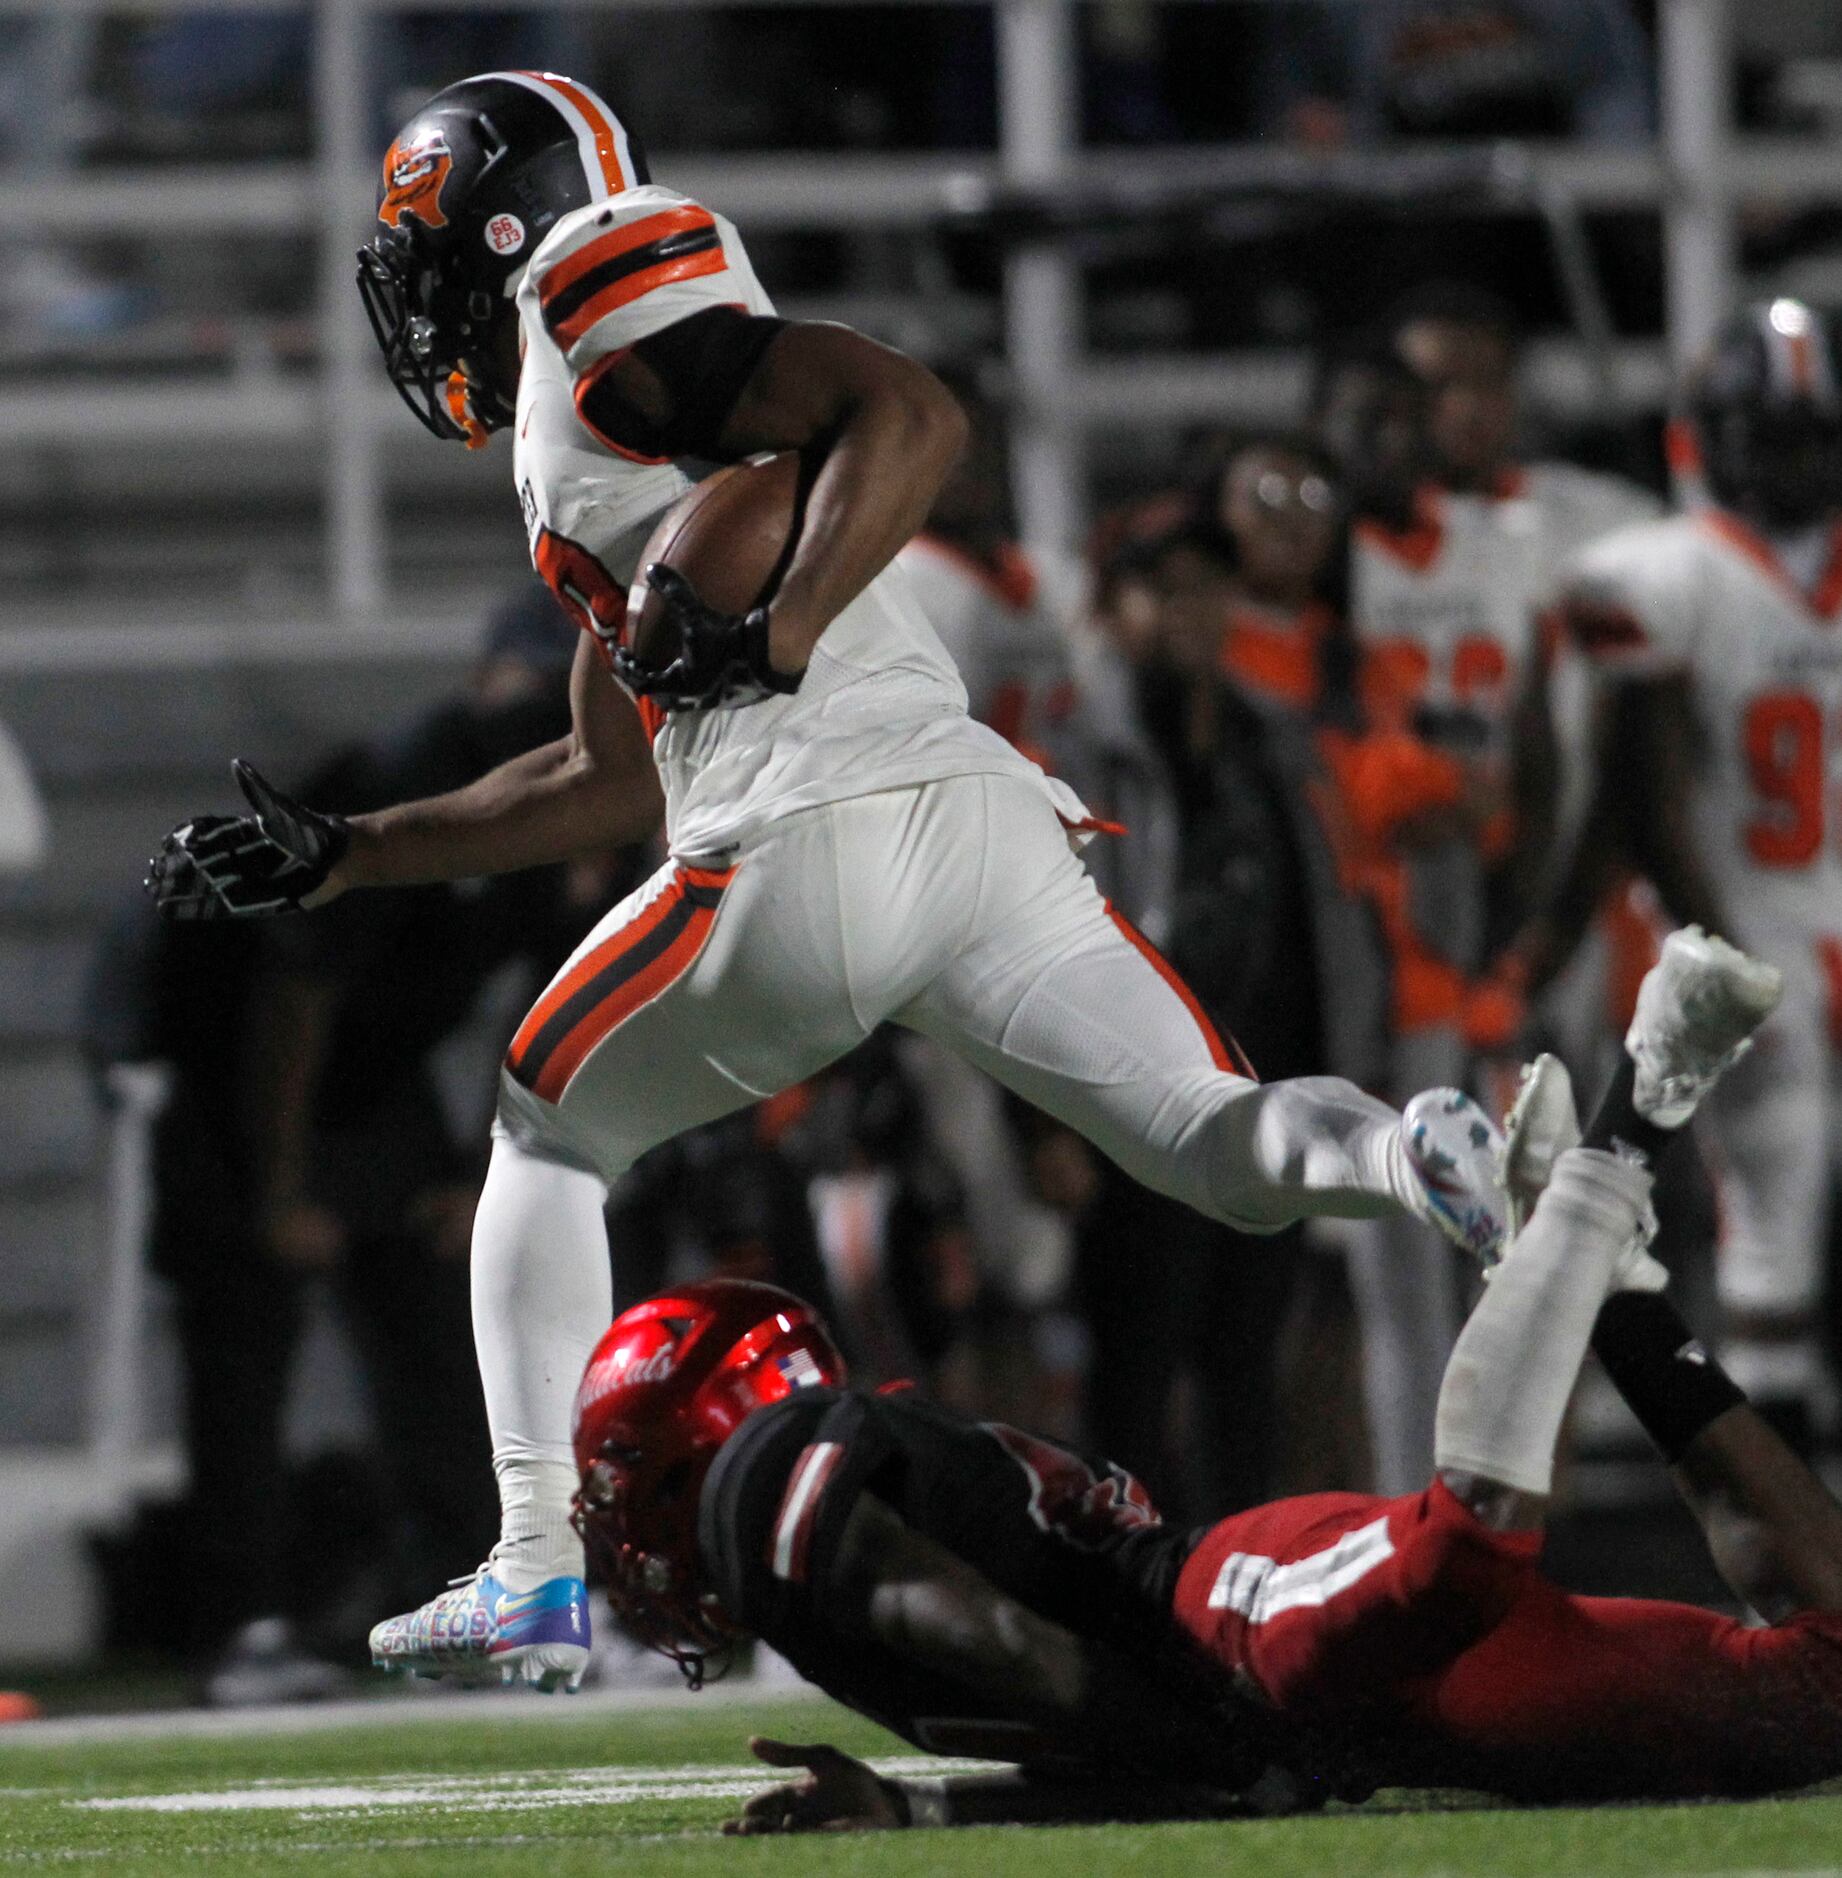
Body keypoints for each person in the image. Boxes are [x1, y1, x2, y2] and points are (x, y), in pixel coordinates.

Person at [145, 72, 1507, 1694]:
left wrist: (773, 633)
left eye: (429, 251)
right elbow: (595, 776)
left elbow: (914, 414)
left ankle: (530, 1564)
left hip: (805, 834)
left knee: (543, 1118)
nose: (420, 296)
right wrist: (350, 853)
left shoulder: (595, 273)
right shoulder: (596, 430)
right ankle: (1420, 1151)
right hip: (970, 824)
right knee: (1223, 1142)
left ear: (494, 221)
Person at [571, 928, 1842, 1831]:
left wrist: (1219, 1750)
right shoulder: (820, 1487)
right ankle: (1608, 1287)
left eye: (619, 1475)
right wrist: (920, 1811)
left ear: (698, 1432)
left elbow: (1020, 1653)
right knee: (1823, 1692)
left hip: (1230, 1622)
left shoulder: (767, 1487)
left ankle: (1619, 1146)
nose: (613, 1524)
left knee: (1460, 1554)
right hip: (1347, 1723)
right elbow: (1100, 1743)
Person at [91, 586, 617, 1703]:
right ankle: (240, 1627)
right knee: (244, 1346)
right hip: (237, 1077)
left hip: (377, 1080)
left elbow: (553, 989)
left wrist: (485, 1173)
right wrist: (281, 1189)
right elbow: (296, 995)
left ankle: (458, 1588)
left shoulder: (576, 793)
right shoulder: (408, 772)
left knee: (438, 1320)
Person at [1521, 298, 1842, 1448]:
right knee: (1767, 1230)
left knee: (1772, 1231)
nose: (1786, 461)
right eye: (1771, 431)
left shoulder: (1656, 570)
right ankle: (1794, 1554)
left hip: (1769, 927)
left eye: (1807, 434)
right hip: (1739, 928)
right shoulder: (1659, 575)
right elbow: (1635, 790)